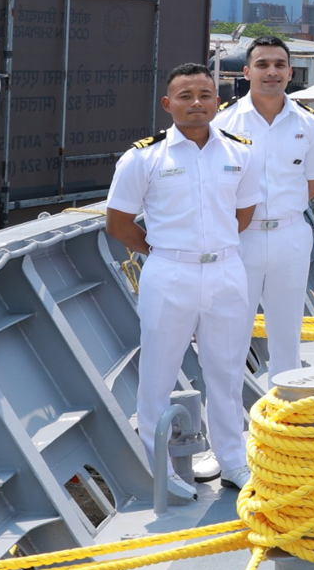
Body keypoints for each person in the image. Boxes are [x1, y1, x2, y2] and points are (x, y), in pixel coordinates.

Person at [106, 63, 262, 497]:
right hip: (169, 272)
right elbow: (118, 222)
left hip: (227, 270)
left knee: (227, 372)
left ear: (217, 101)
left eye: (205, 95)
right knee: (159, 369)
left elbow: (244, 213)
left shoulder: (240, 153)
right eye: (186, 96)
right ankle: (161, 468)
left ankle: (232, 459)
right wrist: (162, 252)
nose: (196, 103)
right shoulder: (143, 157)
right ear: (167, 104)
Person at [212, 36, 314, 380]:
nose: (271, 72)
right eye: (262, 65)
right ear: (247, 72)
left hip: (289, 236)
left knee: (287, 333)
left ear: (290, 72)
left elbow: (313, 182)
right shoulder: (223, 124)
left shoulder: (309, 123)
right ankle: (231, 422)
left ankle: (286, 417)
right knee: (232, 332)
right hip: (239, 238)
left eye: (279, 65)